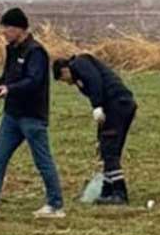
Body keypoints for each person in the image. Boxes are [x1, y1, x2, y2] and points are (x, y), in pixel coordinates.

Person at [0, 8, 65, 218]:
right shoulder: (12, 49)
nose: (4, 33)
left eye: (7, 29)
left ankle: (55, 205)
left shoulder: (35, 52)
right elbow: (6, 77)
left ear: (19, 29)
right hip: (12, 115)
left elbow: (34, 80)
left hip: (32, 116)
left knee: (42, 160)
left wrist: (10, 89)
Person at [53, 53, 137, 204]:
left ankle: (119, 192)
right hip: (118, 106)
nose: (68, 84)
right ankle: (107, 189)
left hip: (117, 105)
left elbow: (95, 81)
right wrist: (99, 135)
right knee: (107, 148)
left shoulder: (80, 63)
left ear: (64, 71)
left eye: (64, 80)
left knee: (110, 150)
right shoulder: (80, 72)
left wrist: (96, 105)